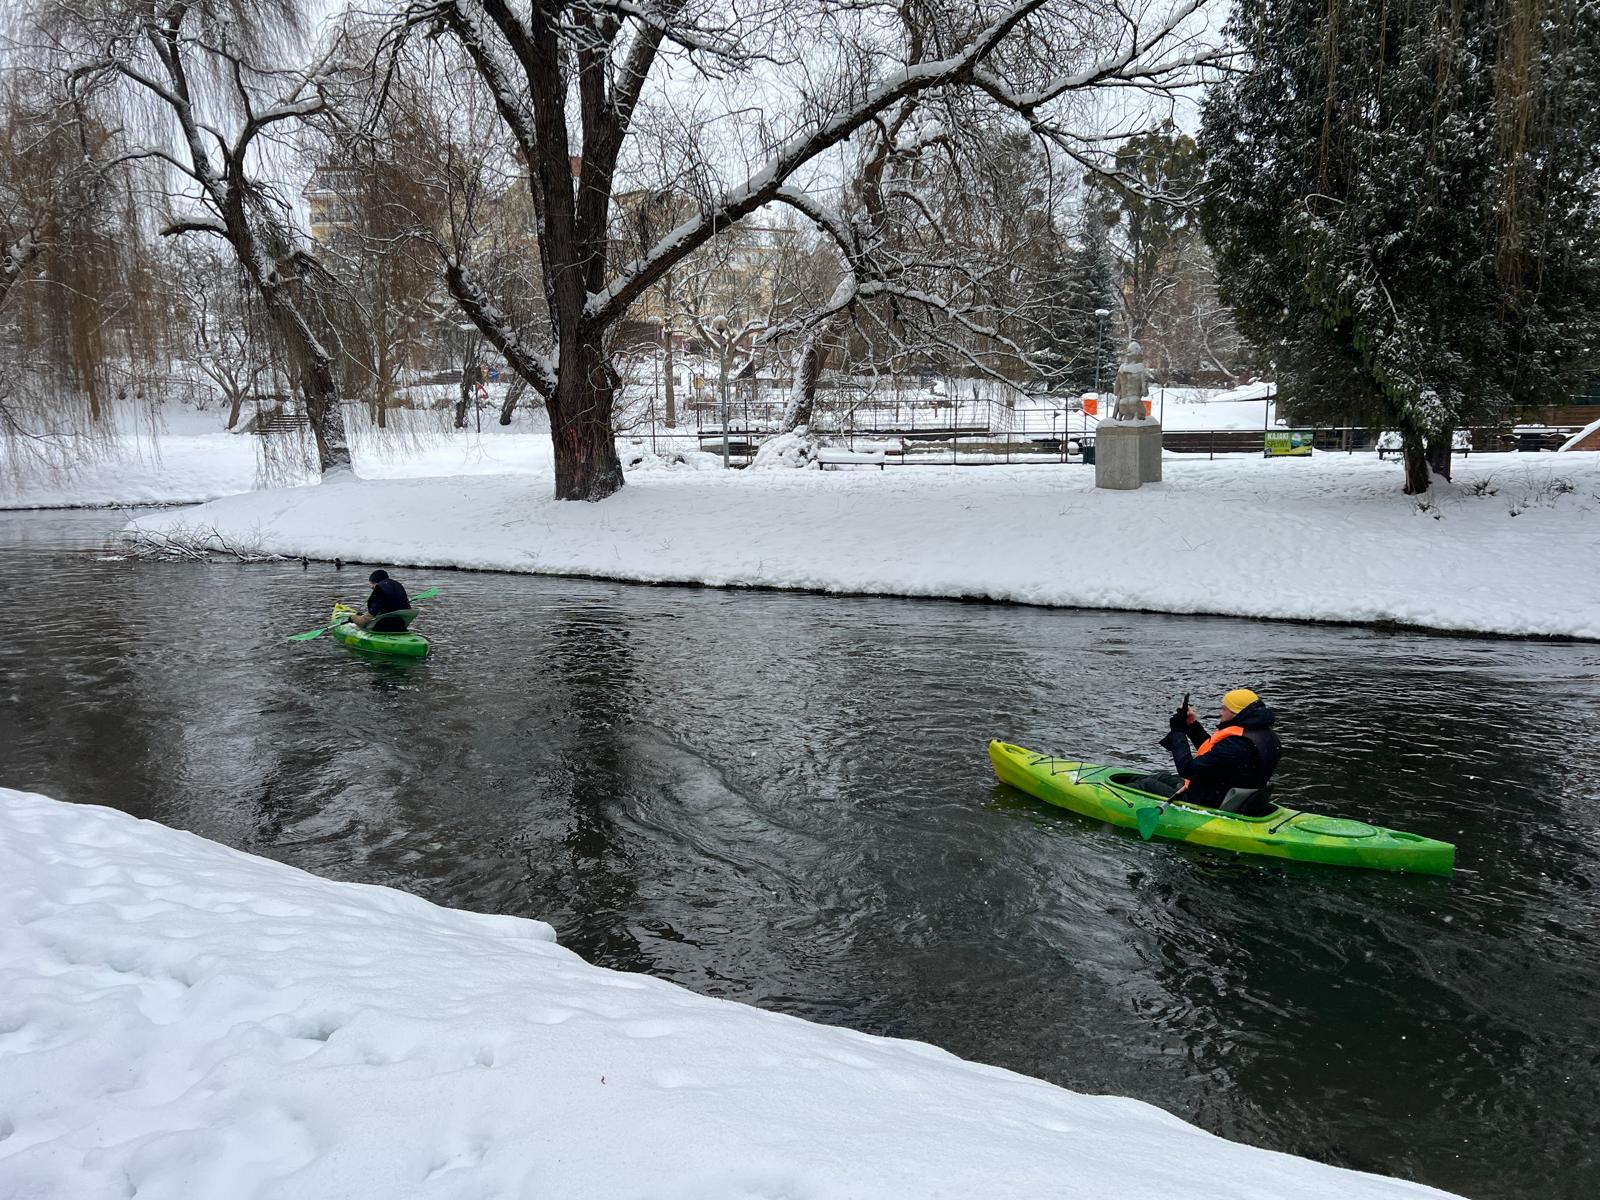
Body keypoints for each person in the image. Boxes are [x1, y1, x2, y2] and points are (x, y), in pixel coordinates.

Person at [1154, 688, 1281, 813]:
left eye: (1224, 709)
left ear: (1236, 713)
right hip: (1229, 794)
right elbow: (1215, 756)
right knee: (1160, 777)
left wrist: (1178, 732)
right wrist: (1192, 725)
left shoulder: (1235, 745)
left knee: (1147, 784)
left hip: (1209, 801)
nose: (1221, 713)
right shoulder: (1264, 735)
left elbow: (1187, 769)